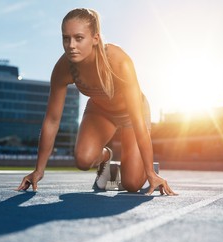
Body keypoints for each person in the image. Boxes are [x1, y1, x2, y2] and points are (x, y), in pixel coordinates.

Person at [16, 8, 177, 196]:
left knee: (132, 184)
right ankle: (106, 157)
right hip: (100, 112)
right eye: (65, 38)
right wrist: (39, 170)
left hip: (131, 116)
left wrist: (149, 172)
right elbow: (52, 120)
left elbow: (137, 120)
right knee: (83, 160)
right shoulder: (63, 69)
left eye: (78, 38)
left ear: (95, 38)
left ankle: (145, 167)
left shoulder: (119, 62)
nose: (71, 45)